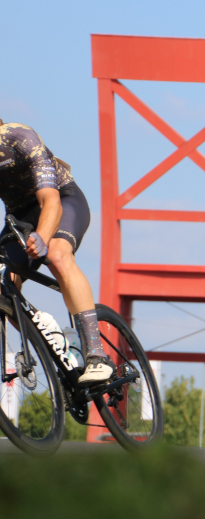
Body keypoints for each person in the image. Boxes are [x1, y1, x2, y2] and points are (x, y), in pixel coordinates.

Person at [0, 120, 113, 384]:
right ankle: (50, 341)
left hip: (61, 200)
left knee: (57, 254)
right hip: (20, 217)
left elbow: (49, 200)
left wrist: (42, 236)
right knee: (4, 283)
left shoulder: (18, 137)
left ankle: (96, 355)